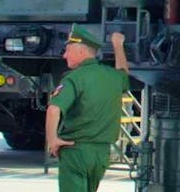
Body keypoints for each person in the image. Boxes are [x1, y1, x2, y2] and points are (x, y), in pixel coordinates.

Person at [46, 25, 129, 192]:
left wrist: (52, 139)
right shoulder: (112, 77)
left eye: (67, 50)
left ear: (81, 52)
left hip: (75, 150)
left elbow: (54, 109)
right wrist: (118, 46)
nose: (64, 55)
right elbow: (123, 73)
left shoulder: (74, 78)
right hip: (101, 154)